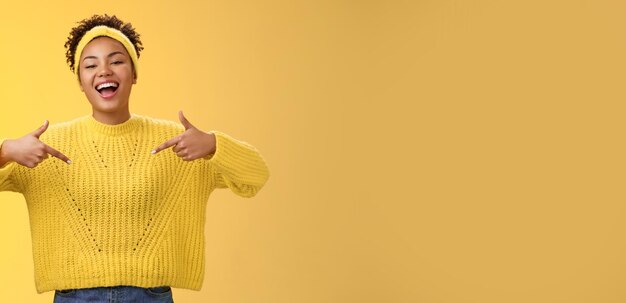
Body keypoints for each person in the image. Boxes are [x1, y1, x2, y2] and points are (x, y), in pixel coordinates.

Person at [0, 14, 269, 303]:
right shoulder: (45, 146)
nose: (104, 71)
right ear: (80, 81)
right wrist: (5, 152)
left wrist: (214, 144)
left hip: (150, 297)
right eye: (91, 65)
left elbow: (256, 175)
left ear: (134, 74)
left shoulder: (178, 142)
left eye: (116, 61)